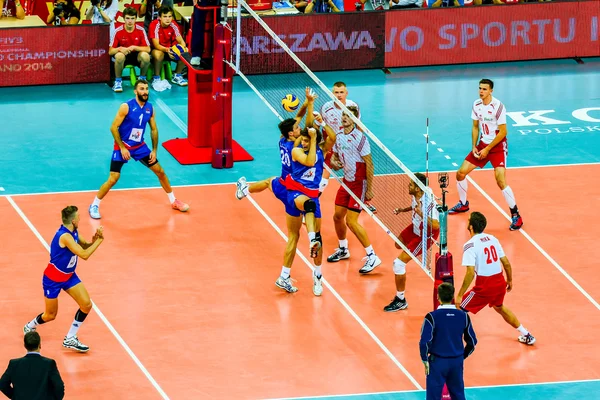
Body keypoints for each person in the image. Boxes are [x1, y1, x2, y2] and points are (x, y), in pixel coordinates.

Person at [235, 88, 321, 293]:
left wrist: (307, 102)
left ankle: (244, 189)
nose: (298, 128)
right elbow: (308, 125)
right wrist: (310, 105)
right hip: (293, 186)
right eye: (296, 128)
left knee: (267, 182)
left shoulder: (282, 140)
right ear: (292, 133)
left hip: (282, 183)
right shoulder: (296, 146)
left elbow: (299, 119)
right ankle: (312, 240)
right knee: (305, 209)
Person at [88, 80, 189, 219]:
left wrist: (154, 150)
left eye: (147, 89)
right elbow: (113, 127)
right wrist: (122, 148)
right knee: (113, 178)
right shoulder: (126, 107)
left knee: (160, 172)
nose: (145, 91)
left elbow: (154, 129)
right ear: (135, 91)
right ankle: (94, 205)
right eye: (142, 89)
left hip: (140, 147)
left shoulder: (150, 108)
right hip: (122, 146)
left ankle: (173, 201)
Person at [23, 206, 104, 353]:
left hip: (69, 276)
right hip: (52, 279)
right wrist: (100, 241)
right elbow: (84, 255)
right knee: (50, 315)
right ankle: (30, 326)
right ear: (73, 220)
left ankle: (70, 338)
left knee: (86, 305)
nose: (80, 219)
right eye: (78, 217)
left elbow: (85, 245)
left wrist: (95, 239)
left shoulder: (73, 232)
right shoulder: (64, 236)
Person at [449, 78, 523, 231]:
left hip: (497, 146)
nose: (481, 91)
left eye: (484, 89)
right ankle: (463, 204)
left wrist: (488, 149)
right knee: (460, 173)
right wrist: (474, 146)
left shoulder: (498, 107)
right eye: (480, 88)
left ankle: (516, 215)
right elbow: (475, 127)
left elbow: (503, 132)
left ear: (491, 91)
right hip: (482, 144)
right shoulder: (476, 105)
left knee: (500, 180)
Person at [456, 211, 536, 345]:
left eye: (468, 220)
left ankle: (453, 339)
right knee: (499, 307)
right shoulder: (492, 239)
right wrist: (509, 280)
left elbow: (470, 273)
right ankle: (526, 334)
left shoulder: (469, 246)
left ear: (471, 226)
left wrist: (459, 295)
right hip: (500, 283)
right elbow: (505, 262)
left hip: (485, 286)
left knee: (457, 307)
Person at [326, 106, 381, 274]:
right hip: (346, 181)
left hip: (359, 183)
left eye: (348, 116)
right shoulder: (339, 137)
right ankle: (343, 249)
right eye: (343, 115)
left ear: (355, 119)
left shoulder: (360, 138)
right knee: (337, 217)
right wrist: (334, 162)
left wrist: (369, 190)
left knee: (351, 221)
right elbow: (335, 156)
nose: (344, 118)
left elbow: (369, 164)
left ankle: (372, 256)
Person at [285, 125, 336, 295]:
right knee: (308, 207)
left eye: (307, 140)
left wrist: (322, 123)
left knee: (319, 240)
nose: (304, 143)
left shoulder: (321, 149)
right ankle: (311, 238)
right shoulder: (297, 151)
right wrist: (312, 138)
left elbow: (333, 138)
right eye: (304, 140)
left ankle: (318, 275)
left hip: (313, 195)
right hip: (297, 193)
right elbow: (310, 161)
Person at [385, 173, 439, 312]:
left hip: (425, 234)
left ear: (418, 189)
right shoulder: (417, 194)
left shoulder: (429, 205)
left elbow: (435, 225)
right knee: (398, 243)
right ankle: (408, 253)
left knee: (398, 263)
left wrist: (421, 214)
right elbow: (415, 205)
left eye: (411, 184)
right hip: (415, 226)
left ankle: (401, 299)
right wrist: (403, 210)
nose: (408, 185)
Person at [419, 283, 477, 400]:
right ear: (452, 297)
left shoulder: (431, 317)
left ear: (438, 297)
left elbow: (424, 342)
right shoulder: (463, 316)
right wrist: (461, 356)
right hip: (456, 361)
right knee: (458, 395)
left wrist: (425, 359)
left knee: (433, 397)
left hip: (437, 363)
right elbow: (472, 341)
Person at [0, 332, 65, 400]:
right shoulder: (49, 364)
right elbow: (59, 386)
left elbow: (2, 384)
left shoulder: (14, 364)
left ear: (25, 346)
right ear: (40, 345)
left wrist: (15, 396)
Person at [109, 7, 151, 92]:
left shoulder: (141, 30)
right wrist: (120, 48)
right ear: (123, 18)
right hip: (124, 56)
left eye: (132, 18)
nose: (130, 21)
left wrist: (135, 47)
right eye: (127, 18)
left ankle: (142, 80)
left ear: (136, 19)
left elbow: (148, 49)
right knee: (119, 56)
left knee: (146, 56)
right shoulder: (118, 31)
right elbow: (110, 51)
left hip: (136, 55)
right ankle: (118, 81)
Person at [148, 6, 188, 88]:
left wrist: (182, 48)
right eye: (165, 16)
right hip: (156, 50)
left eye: (170, 16)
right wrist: (167, 50)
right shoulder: (154, 25)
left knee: (185, 51)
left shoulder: (173, 24)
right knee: (159, 54)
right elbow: (156, 45)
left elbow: (181, 41)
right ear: (160, 17)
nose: (167, 19)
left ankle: (177, 75)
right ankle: (156, 78)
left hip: (170, 49)